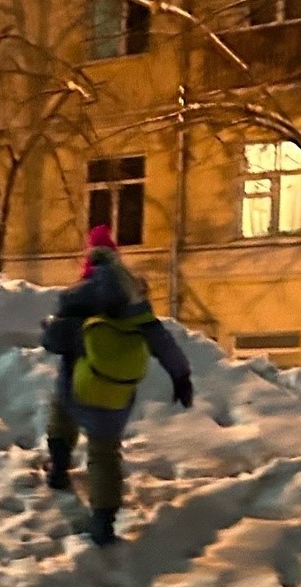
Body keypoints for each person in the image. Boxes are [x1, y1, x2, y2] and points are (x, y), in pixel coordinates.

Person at [42, 225, 193, 545]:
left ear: (90, 262)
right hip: (116, 392)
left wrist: (50, 329)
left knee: (61, 414)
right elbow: (160, 340)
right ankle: (104, 523)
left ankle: (57, 470)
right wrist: (180, 375)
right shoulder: (135, 300)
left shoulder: (80, 298)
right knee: (104, 454)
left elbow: (54, 341)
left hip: (77, 385)